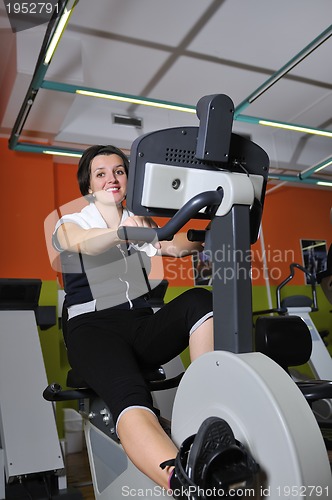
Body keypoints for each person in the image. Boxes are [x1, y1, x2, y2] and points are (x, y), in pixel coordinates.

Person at [52, 144, 214, 491]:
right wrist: (124, 233)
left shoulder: (138, 220)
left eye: (119, 171)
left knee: (200, 300)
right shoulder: (72, 221)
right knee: (130, 395)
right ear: (89, 186)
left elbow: (173, 243)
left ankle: (208, 415)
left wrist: (210, 233)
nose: (111, 178)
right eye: (101, 173)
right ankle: (183, 483)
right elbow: (81, 242)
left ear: (128, 179)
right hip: (92, 329)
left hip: (139, 325)